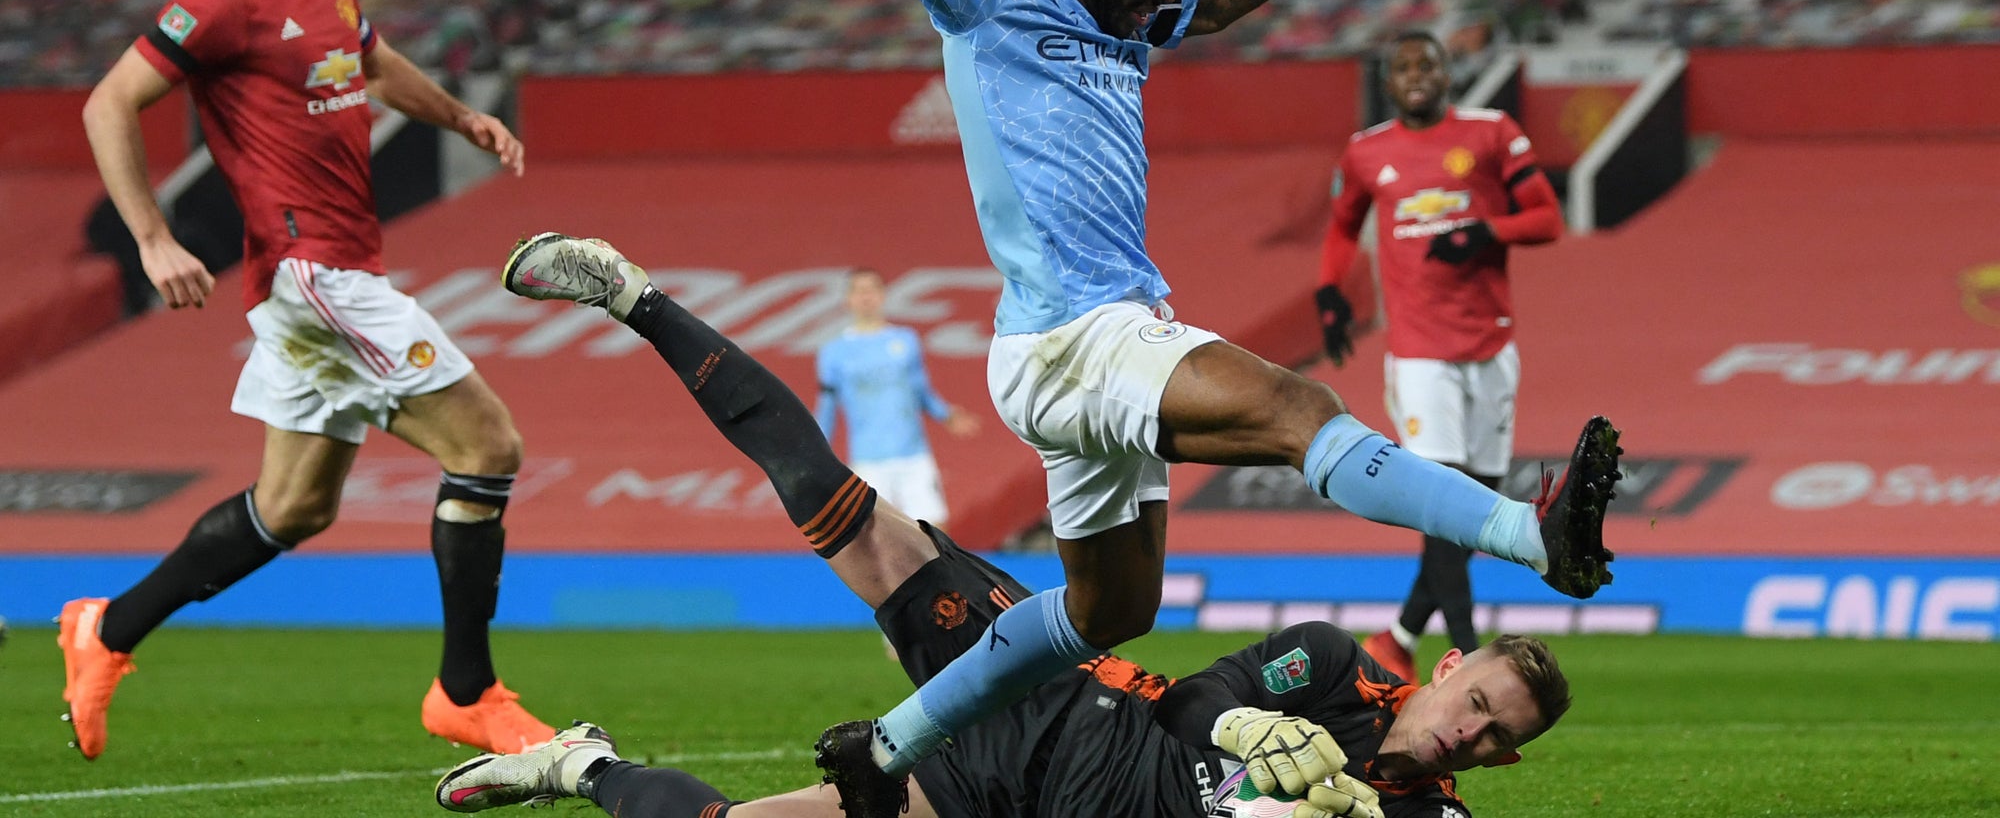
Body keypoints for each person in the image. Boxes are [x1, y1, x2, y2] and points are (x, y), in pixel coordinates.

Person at [810, 0, 1622, 812]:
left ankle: (889, 745)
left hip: (1069, 347)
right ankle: (1534, 539)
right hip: (1076, 334)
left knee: (1112, 610)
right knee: (1294, 407)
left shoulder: (1135, 12)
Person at [436, 231, 1578, 818]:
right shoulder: (1329, 666)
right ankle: (635, 296)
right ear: (1443, 669)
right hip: (1042, 701)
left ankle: (576, 764)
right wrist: (1246, 737)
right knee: (826, 498)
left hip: (1001, 803)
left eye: (1488, 738)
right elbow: (1195, 702)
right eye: (1472, 702)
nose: (1462, 736)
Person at [60, 0, 551, 760]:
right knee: (488, 445)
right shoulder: (218, 4)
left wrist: (458, 116)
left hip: (338, 271)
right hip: (312, 274)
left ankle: (108, 629)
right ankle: (466, 690)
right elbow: (107, 103)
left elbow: (369, 63)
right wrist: (153, 239)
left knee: (292, 509)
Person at [1316, 32, 1565, 684]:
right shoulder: (1368, 150)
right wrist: (1330, 294)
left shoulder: (1490, 133)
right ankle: (1468, 651)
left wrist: (1487, 231)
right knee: (1441, 501)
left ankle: (1399, 636)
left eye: (1427, 63)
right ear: (1389, 84)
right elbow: (1343, 225)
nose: (1416, 75)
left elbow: (1546, 218)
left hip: (1491, 346)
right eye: (1403, 67)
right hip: (1420, 354)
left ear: (1447, 74)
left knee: (1474, 510)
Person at [816, 267, 979, 529]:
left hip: (913, 455)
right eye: (859, 291)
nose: (866, 297)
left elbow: (920, 390)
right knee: (876, 535)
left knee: (935, 532)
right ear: (848, 299)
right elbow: (827, 407)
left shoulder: (905, 340)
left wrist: (945, 414)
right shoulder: (833, 352)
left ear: (882, 295)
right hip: (868, 459)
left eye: (871, 290)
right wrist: (817, 451)